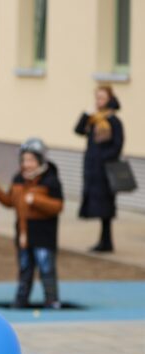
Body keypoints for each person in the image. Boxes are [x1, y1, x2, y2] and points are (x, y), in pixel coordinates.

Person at [0, 138, 64, 309]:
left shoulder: (50, 179)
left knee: (46, 267)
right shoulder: (18, 178)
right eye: (24, 160)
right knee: (25, 269)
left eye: (31, 160)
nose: (27, 164)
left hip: (43, 234)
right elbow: (10, 201)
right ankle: (21, 299)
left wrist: (36, 200)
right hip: (23, 233)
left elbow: (57, 206)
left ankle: (51, 299)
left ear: (40, 160)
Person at [74, 85, 124, 253]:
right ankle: (104, 241)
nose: (99, 101)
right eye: (97, 97)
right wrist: (86, 114)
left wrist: (102, 159)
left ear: (109, 99)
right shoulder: (94, 119)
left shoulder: (113, 121)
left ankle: (106, 241)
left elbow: (117, 145)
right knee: (99, 206)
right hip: (93, 170)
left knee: (106, 207)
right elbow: (78, 130)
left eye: (102, 98)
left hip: (106, 171)